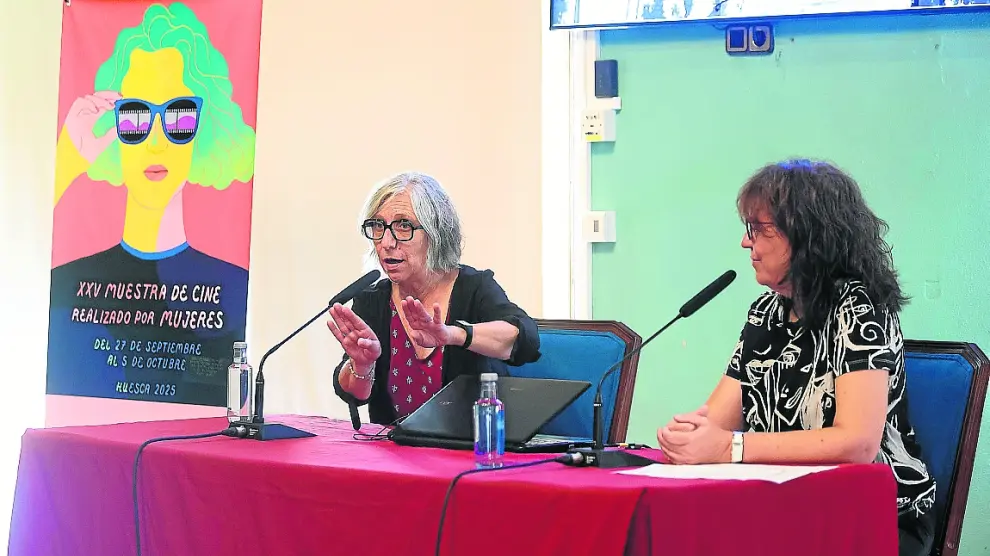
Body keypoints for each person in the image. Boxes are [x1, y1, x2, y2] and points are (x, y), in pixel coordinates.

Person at [657, 159, 935, 556]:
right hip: (784, 508)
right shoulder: (766, 312)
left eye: (758, 229)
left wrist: (730, 448)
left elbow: (857, 443)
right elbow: (717, 421)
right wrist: (686, 437)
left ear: (806, 236)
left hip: (873, 517)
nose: (745, 242)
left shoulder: (858, 309)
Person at [47, 3, 254, 406]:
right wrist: (70, 160)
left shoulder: (232, 286)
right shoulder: (67, 281)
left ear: (204, 129)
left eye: (177, 116)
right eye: (136, 116)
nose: (156, 139)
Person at [328, 172, 541, 424]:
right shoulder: (372, 300)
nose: (386, 242)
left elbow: (525, 340)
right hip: (394, 455)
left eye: (403, 226)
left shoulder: (473, 288)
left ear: (436, 234)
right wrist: (362, 365)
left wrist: (453, 334)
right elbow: (354, 394)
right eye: (377, 226)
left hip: (467, 452)